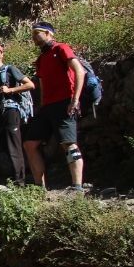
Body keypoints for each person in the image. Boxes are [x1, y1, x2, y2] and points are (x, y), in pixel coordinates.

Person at [22, 21, 87, 190]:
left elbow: (79, 71)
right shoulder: (41, 59)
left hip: (65, 102)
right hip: (47, 107)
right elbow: (42, 86)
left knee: (69, 143)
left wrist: (75, 100)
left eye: (37, 33)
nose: (34, 37)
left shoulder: (61, 48)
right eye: (33, 34)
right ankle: (39, 188)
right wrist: (42, 105)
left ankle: (77, 186)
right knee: (30, 144)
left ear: (49, 33)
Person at [0, 42, 34, 184]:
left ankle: (19, 181)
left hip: (11, 110)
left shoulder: (10, 70)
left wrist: (11, 90)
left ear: (2, 54)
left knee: (13, 144)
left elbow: (30, 84)